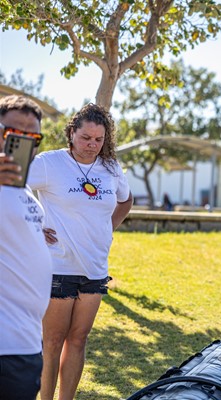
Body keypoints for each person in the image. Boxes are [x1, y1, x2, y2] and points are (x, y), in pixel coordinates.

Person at [27, 103, 133, 400]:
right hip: (58, 266)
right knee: (52, 342)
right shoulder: (49, 164)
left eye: (99, 140)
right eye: (86, 138)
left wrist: (108, 229)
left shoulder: (110, 167)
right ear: (71, 133)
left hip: (95, 268)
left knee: (78, 339)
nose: (92, 145)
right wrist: (32, 225)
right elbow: (9, 184)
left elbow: (125, 200)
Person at [0, 95, 53, 399]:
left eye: (31, 135)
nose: (22, 140)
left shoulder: (25, 188)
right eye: (12, 132)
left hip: (28, 343)